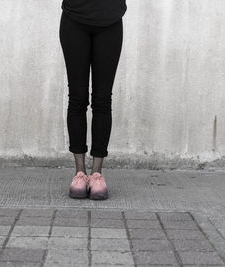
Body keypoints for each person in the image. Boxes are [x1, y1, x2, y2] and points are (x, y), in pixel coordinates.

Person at [59, 0, 127, 200]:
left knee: (103, 99)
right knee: (77, 98)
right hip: (74, 19)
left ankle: (97, 174)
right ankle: (79, 173)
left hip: (111, 20)